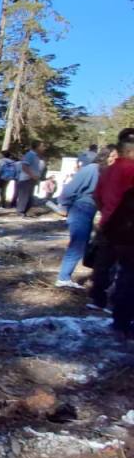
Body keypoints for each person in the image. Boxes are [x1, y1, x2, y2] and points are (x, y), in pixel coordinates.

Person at [94, 133, 134, 333]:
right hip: (127, 227)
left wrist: (105, 212)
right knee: (128, 273)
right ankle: (123, 317)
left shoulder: (107, 171)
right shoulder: (131, 169)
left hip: (109, 223)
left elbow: (97, 196)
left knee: (104, 263)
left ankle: (98, 296)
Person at [54, 147, 108, 289]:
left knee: (81, 243)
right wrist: (63, 206)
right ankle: (63, 278)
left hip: (90, 210)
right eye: (112, 156)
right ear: (105, 156)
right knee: (77, 244)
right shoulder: (91, 169)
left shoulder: (104, 172)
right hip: (80, 208)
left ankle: (65, 276)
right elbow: (69, 190)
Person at [16, 140, 47, 216]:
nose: (44, 148)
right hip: (26, 179)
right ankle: (21, 212)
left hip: (32, 179)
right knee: (24, 196)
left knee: (29, 197)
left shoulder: (36, 156)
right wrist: (32, 175)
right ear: (37, 147)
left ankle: (28, 212)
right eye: (42, 146)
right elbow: (24, 166)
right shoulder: (30, 155)